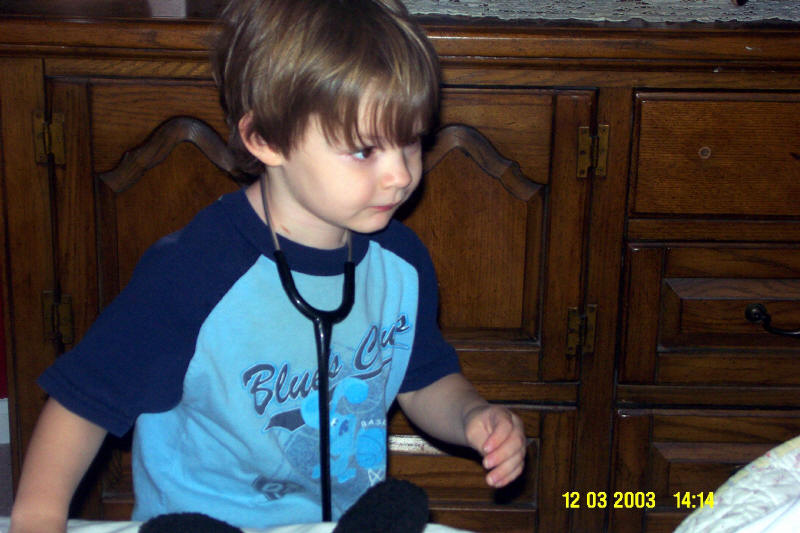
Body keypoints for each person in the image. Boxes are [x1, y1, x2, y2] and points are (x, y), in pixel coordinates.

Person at [9, 0, 526, 531]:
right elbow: (83, 405)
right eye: (364, 150)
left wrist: (472, 416)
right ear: (266, 140)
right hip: (207, 520)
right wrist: (38, 517)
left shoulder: (402, 263)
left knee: (402, 509)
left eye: (411, 140)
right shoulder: (192, 270)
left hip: (335, 521)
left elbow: (424, 380)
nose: (401, 175)